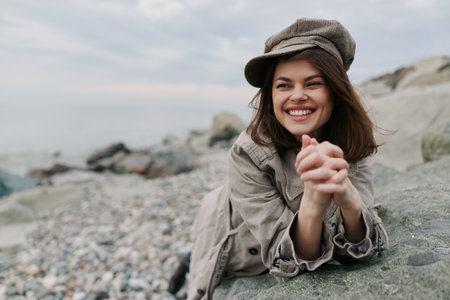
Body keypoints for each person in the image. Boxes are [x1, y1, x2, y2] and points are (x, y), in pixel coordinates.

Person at [169, 18, 388, 300]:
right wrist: (312, 205)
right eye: (284, 85)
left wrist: (348, 199)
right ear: (270, 95)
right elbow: (284, 260)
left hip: (252, 214)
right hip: (228, 226)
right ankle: (185, 264)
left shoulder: (351, 144)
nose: (297, 96)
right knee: (198, 279)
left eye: (313, 83)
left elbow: (359, 252)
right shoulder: (247, 152)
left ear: (335, 90)